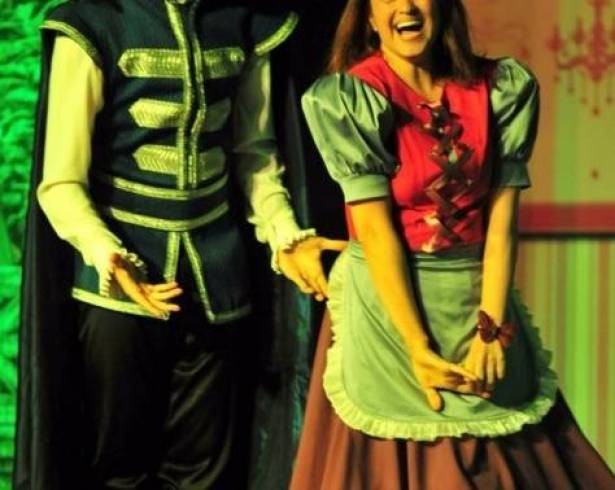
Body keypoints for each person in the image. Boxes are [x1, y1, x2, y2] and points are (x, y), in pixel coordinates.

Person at [14, 1, 345, 489]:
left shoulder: (243, 23)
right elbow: (61, 182)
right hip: (119, 286)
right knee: (118, 467)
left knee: (204, 472)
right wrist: (106, 252)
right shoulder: (94, 24)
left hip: (219, 279)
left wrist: (284, 234)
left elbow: (253, 153)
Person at [290, 0, 615, 488]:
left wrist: (491, 328)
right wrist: (417, 347)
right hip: (387, 306)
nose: (405, 6)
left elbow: (501, 223)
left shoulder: (500, 88)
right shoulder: (352, 98)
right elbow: (375, 231)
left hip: (474, 297)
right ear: (369, 17)